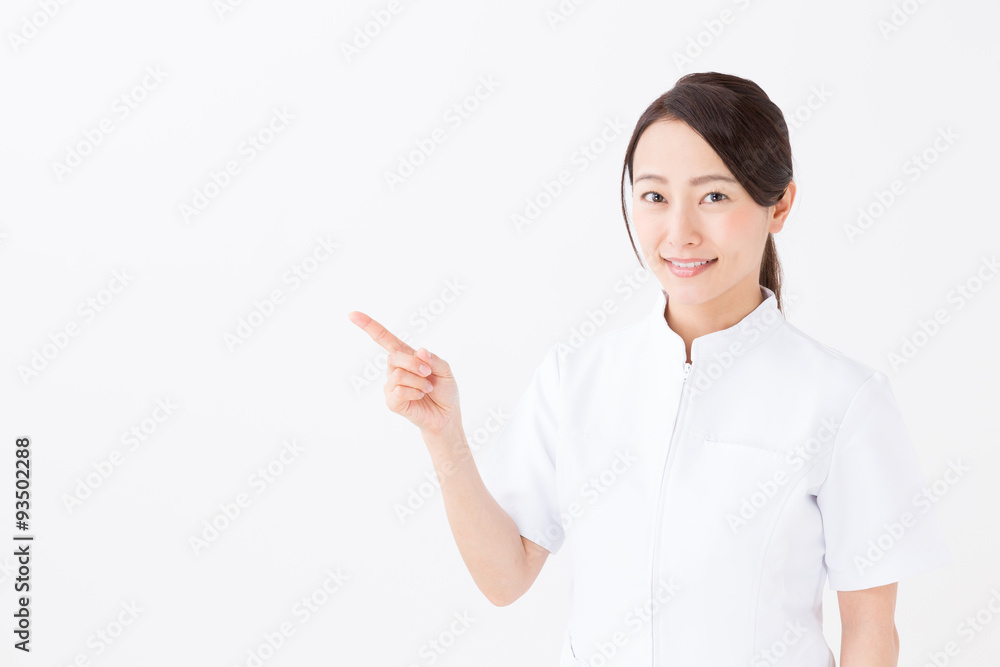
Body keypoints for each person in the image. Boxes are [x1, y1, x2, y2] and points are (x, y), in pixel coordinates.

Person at [349, 72, 953, 666]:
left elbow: (871, 635)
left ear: (780, 204)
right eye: (655, 197)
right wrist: (444, 437)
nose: (679, 232)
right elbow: (505, 579)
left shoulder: (843, 400)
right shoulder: (575, 380)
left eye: (714, 196)